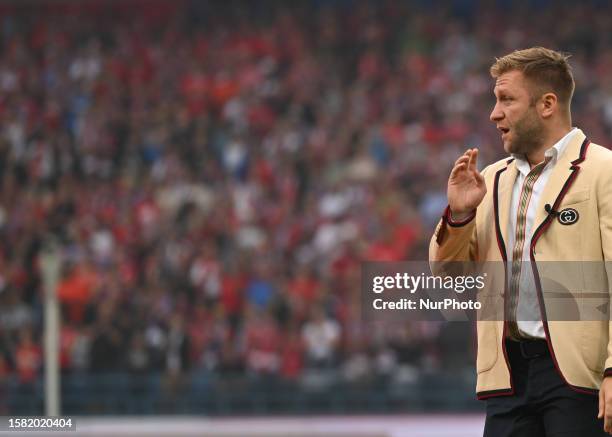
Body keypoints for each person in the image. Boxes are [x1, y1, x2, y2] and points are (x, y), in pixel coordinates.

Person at [429, 47, 612, 436]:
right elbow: (450, 277)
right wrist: (459, 217)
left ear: (547, 104)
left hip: (581, 377)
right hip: (508, 376)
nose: (494, 113)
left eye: (506, 99)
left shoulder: (603, 171)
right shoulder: (489, 181)